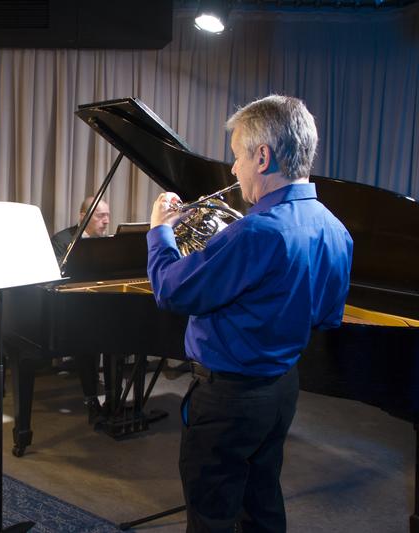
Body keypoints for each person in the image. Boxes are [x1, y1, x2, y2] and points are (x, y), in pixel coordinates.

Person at [146, 95, 353, 532]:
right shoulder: (335, 228)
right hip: (281, 390)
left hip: (228, 398)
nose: (234, 169)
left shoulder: (255, 232)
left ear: (262, 157)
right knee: (261, 503)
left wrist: (160, 231)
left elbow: (169, 289)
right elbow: (325, 317)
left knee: (212, 514)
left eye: (237, 156)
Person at [50, 196, 110, 421]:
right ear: (83, 217)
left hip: (103, 306)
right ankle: (91, 398)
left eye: (107, 216)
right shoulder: (62, 240)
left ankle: (114, 399)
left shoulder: (110, 243)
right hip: (70, 308)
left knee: (118, 337)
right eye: (100, 216)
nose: (105, 221)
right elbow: (56, 277)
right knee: (88, 341)